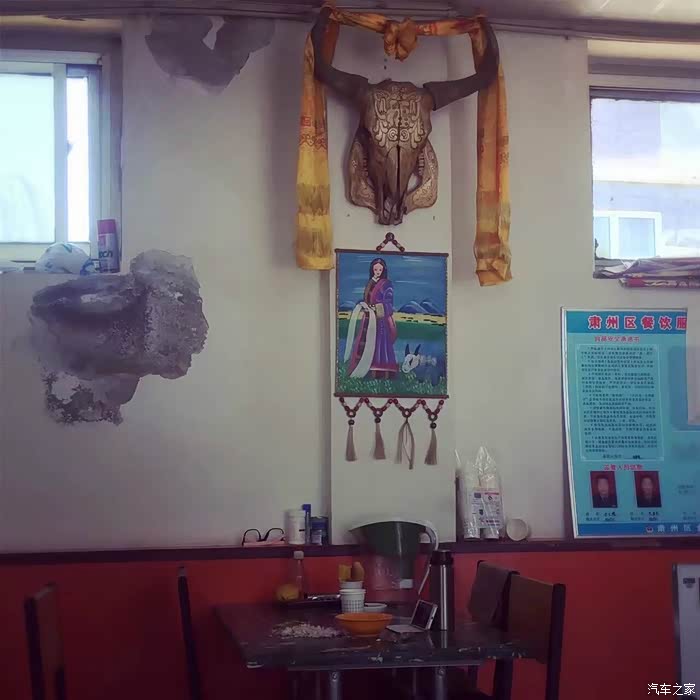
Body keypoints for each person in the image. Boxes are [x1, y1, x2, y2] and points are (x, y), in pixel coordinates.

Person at [344, 257, 398, 380]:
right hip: (368, 318)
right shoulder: (371, 282)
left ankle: (381, 373)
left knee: (379, 345)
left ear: (383, 270)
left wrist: (376, 308)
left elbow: (389, 304)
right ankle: (364, 369)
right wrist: (364, 305)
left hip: (380, 321)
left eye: (380, 270)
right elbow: (367, 298)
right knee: (365, 342)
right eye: (375, 269)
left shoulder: (386, 284)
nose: (377, 272)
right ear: (372, 270)